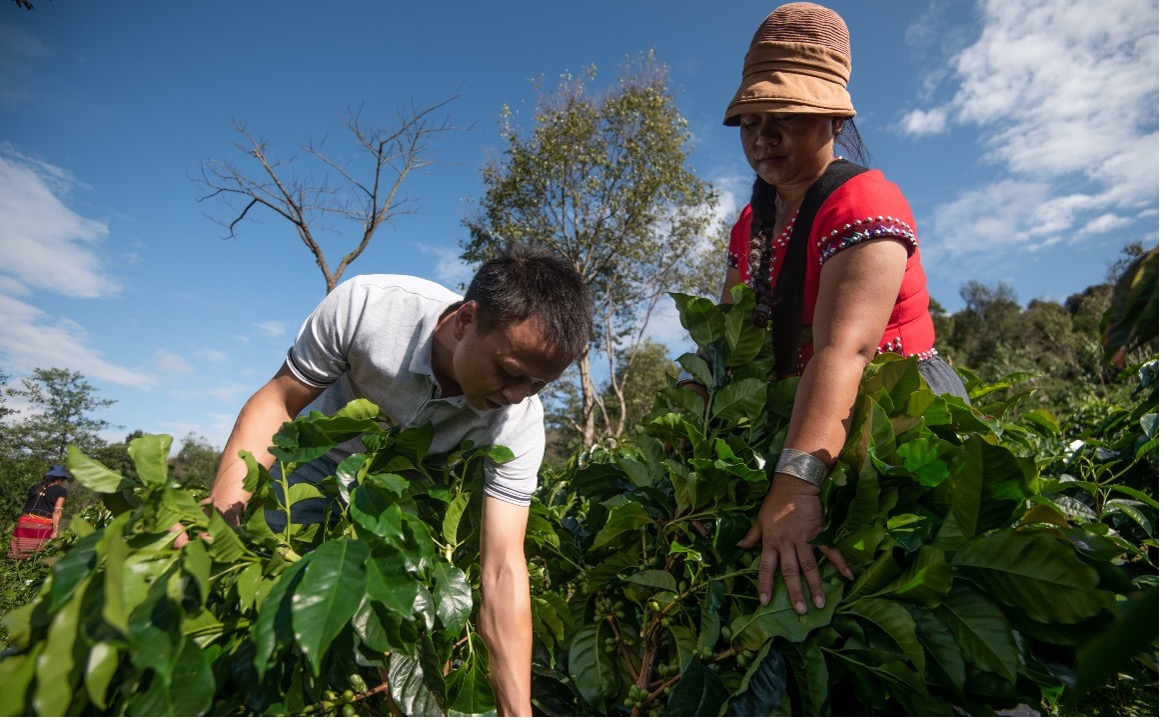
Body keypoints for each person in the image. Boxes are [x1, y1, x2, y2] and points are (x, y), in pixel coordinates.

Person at [191, 246, 592, 716]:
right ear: (466, 320)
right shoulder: (370, 307)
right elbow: (279, 401)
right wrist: (224, 509)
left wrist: (517, 713)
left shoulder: (519, 422)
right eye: (510, 373)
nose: (518, 396)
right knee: (254, 605)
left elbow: (502, 566)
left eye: (538, 385)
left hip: (408, 497)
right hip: (316, 464)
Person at [685, 3, 970, 618]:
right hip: (810, 413)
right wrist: (689, 423)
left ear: (835, 119)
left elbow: (847, 350)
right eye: (750, 121)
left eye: (784, 118)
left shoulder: (864, 201)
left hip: (895, 411)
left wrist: (795, 485)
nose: (763, 137)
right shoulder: (752, 222)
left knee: (916, 588)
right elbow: (726, 337)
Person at [7, 464, 71, 559]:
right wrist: (55, 530)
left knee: (17, 554)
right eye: (63, 479)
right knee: (38, 556)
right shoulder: (61, 491)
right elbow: (57, 511)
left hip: (23, 523)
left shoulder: (35, 487)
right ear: (59, 478)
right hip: (40, 525)